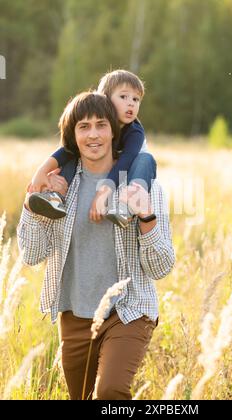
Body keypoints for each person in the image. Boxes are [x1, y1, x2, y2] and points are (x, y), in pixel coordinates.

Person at [17, 92, 175, 400]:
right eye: (83, 126)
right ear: (71, 136)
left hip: (128, 312)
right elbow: (32, 255)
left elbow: (161, 267)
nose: (93, 135)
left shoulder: (142, 185)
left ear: (114, 130)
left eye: (101, 125)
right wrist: (32, 206)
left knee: (110, 392)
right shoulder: (60, 185)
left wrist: (146, 217)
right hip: (74, 316)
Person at [27, 69, 156, 228]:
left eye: (136, 99)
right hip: (106, 164)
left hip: (131, 168)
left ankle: (127, 207)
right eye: (124, 97)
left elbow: (126, 161)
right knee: (74, 152)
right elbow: (67, 149)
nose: (131, 103)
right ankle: (56, 197)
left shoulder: (135, 131)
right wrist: (41, 171)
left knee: (146, 159)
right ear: (105, 99)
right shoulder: (94, 128)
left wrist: (104, 191)